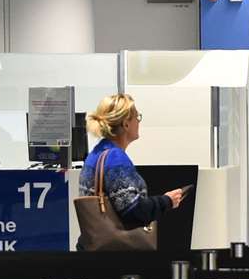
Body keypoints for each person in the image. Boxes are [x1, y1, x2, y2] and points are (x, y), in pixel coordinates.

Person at [79, 93, 187, 243]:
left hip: (94, 245)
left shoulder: (96, 154)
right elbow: (132, 210)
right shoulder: (116, 159)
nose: (138, 121)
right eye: (137, 117)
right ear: (126, 124)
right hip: (115, 253)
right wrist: (166, 201)